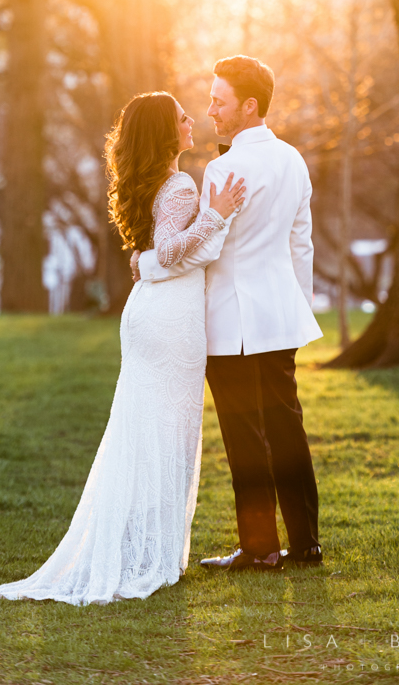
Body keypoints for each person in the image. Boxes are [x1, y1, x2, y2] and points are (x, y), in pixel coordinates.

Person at [0, 92, 244, 605]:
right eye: (181, 118)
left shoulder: (151, 183)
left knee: (144, 432)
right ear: (164, 132)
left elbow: (150, 255)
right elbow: (171, 250)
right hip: (170, 319)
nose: (191, 120)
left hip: (151, 311)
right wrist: (217, 215)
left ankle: (141, 546)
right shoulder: (178, 186)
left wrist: (160, 255)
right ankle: (146, 554)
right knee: (165, 432)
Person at [136, 56, 324, 571]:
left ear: (248, 105)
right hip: (279, 318)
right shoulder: (294, 160)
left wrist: (148, 264)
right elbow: (300, 243)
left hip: (231, 322)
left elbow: (205, 250)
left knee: (246, 437)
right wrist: (296, 305)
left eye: (219, 101)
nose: (211, 110)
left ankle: (261, 549)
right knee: (288, 430)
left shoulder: (222, 169)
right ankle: (306, 544)